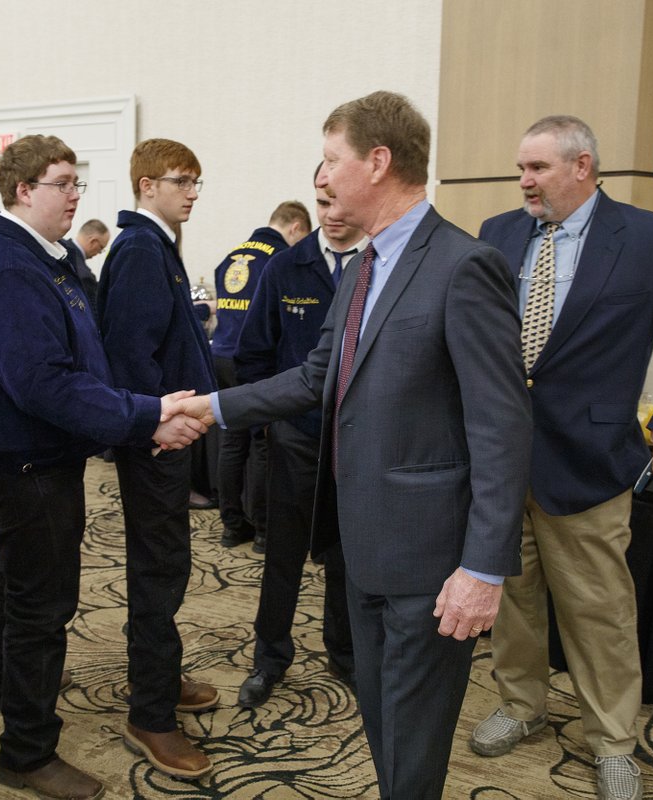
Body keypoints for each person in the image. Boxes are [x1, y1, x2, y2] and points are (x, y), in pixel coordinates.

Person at [172, 91, 533, 798]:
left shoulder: (463, 266)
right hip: (360, 546)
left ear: (378, 160)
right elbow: (315, 377)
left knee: (413, 738)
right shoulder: (363, 266)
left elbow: (502, 425)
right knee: (383, 721)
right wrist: (211, 406)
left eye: (333, 159)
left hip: (430, 563)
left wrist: (484, 570)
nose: (324, 176)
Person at [467, 116, 653, 800]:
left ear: (583, 165)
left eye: (537, 168)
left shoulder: (652, 240)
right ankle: (521, 704)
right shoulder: (499, 233)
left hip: (590, 462)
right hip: (500, 458)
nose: (524, 182)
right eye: (521, 169)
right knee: (513, 598)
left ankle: (613, 739)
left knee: (599, 612)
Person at [0, 133, 205, 800]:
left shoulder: (47, 255)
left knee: (18, 576)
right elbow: (43, 383)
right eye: (62, 183)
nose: (75, 195)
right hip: (27, 456)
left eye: (76, 182)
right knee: (43, 604)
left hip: (38, 452)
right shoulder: (10, 267)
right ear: (22, 190)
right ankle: (26, 753)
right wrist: (143, 415)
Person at [96, 138, 219, 781]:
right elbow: (129, 356)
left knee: (166, 564)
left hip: (164, 435)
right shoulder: (142, 249)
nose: (192, 193)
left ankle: (161, 679)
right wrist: (158, 427)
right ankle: (150, 713)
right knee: (159, 570)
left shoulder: (154, 244)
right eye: (181, 181)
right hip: (156, 443)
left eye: (198, 183)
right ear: (147, 184)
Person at [232, 166, 367, 707]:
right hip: (295, 441)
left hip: (358, 445)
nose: (332, 215)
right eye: (321, 203)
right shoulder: (286, 267)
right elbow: (253, 355)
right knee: (281, 557)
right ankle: (270, 657)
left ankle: (346, 654)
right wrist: (273, 422)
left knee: (346, 559)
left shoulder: (381, 266)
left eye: (341, 202)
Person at [212, 201, 310, 551]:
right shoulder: (279, 259)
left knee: (231, 443)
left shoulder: (233, 255)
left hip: (220, 356)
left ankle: (232, 526)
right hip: (254, 363)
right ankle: (265, 533)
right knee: (262, 444)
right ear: (297, 227)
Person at [61, 218, 110, 318]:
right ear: (93, 241)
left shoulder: (60, 248)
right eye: (101, 248)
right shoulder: (85, 275)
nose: (99, 253)